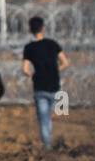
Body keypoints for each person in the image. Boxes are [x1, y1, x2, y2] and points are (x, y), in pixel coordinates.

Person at [22, 16, 70, 151]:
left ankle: (47, 146)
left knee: (43, 119)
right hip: (55, 85)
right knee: (49, 116)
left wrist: (33, 74)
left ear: (30, 30)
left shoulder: (29, 48)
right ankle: (50, 141)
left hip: (39, 86)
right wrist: (55, 70)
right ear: (43, 28)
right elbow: (65, 63)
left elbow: (25, 69)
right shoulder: (53, 44)